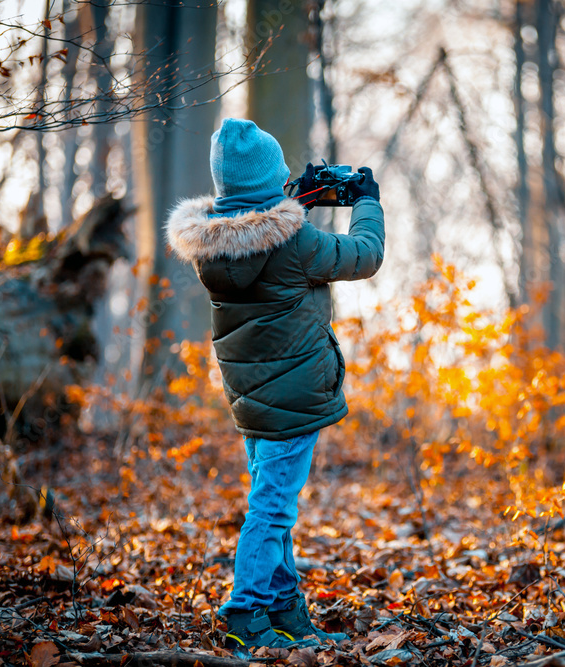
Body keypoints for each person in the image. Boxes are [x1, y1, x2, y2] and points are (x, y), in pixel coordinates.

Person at [165, 118, 385, 652]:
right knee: (273, 508)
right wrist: (367, 202)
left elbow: (259, 224)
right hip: (293, 395)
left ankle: (284, 609)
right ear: (269, 179)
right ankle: (244, 611)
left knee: (273, 499)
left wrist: (296, 198)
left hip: (251, 395)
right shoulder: (295, 241)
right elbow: (364, 255)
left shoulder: (213, 246)